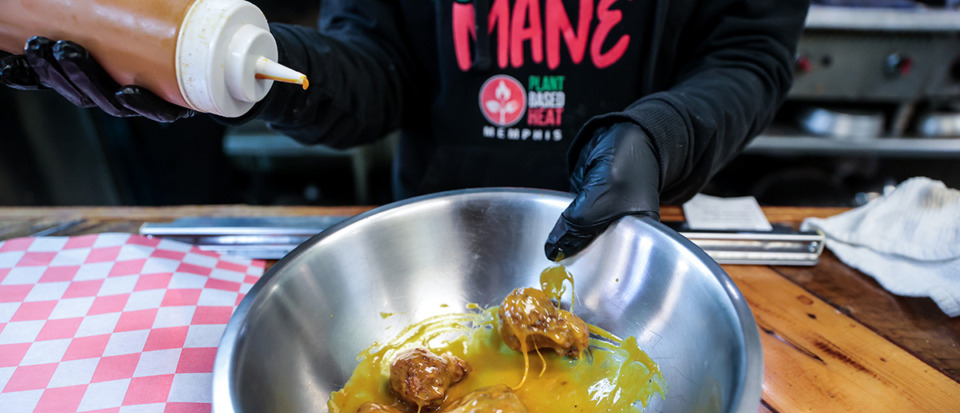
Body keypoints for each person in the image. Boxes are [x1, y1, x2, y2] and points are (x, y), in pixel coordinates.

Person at [0, 0, 810, 259]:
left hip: (623, 242)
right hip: (431, 252)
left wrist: (664, 136)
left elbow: (747, 55)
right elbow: (377, 73)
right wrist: (250, 69)